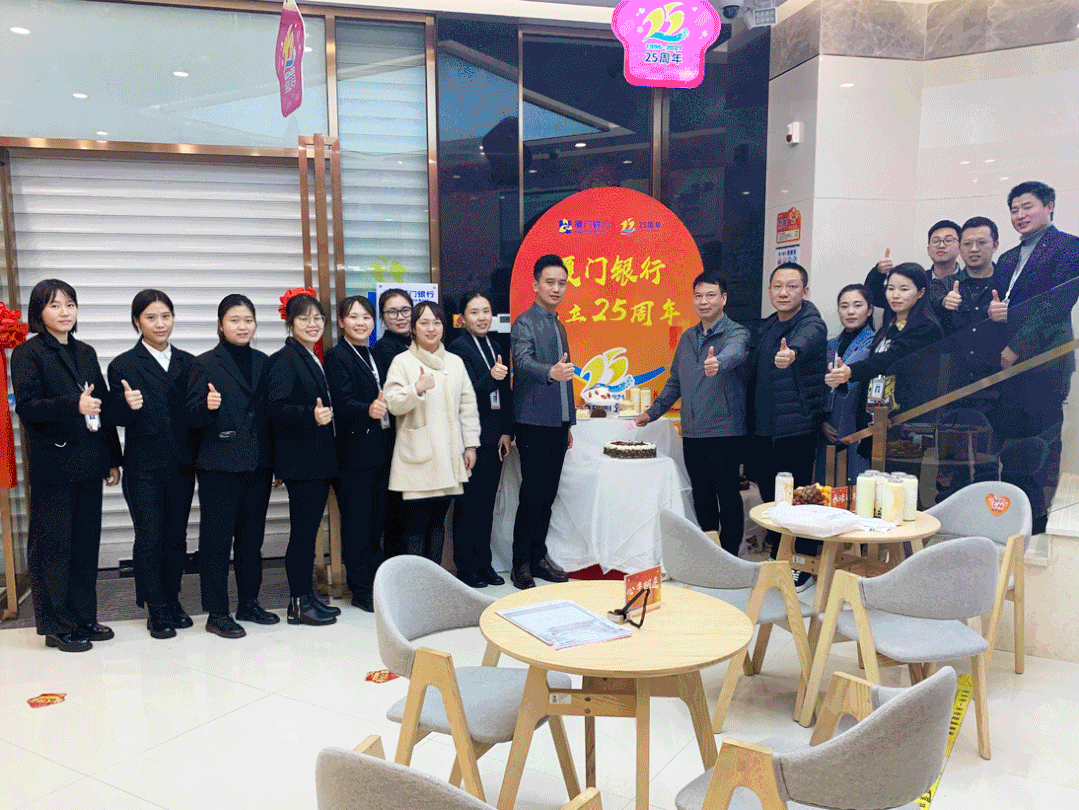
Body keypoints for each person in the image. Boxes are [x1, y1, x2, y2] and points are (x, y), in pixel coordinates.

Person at [11, 279, 122, 652]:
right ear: (39, 312)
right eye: (55, 305)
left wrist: (112, 458)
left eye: (70, 305)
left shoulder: (86, 352)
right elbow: (28, 408)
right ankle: (56, 626)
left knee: (85, 546)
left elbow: (101, 406)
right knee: (53, 548)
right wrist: (72, 404)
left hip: (89, 461)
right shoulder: (28, 354)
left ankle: (84, 618)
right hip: (54, 465)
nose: (65, 312)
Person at [635, 272, 749, 556]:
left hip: (724, 431)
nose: (703, 301)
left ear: (724, 298)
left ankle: (730, 556)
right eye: (698, 296)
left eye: (711, 295)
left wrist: (718, 362)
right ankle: (710, 552)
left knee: (727, 495)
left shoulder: (737, 332)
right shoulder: (687, 337)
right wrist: (653, 412)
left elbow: (736, 353)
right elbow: (675, 381)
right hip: (693, 431)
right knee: (701, 494)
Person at [107, 290, 198, 640]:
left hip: (181, 463)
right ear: (137, 322)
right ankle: (155, 608)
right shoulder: (123, 365)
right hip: (143, 466)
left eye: (165, 316)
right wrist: (125, 404)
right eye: (151, 317)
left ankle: (173, 600)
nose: (160, 324)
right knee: (149, 536)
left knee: (176, 537)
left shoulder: (189, 362)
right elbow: (113, 418)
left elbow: (195, 414)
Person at [989, 181, 1079, 533]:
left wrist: (1018, 346)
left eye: (1027, 207)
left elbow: (1057, 305)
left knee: (1039, 448)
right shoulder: (1007, 258)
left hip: (1044, 365)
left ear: (1049, 206)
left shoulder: (1069, 247)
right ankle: (1010, 523)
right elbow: (999, 303)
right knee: (1010, 448)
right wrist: (994, 312)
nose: (1020, 215)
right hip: (1006, 370)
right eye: (1014, 210)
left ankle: (1036, 524)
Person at [186, 294, 276, 639]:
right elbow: (189, 417)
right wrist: (207, 407)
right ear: (220, 325)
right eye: (235, 320)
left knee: (251, 540)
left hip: (257, 464)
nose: (242, 326)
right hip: (219, 466)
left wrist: (274, 462)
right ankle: (217, 612)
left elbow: (269, 416)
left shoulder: (264, 362)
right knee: (217, 542)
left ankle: (249, 603)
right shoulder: (204, 364)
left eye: (248, 320)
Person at [746, 262, 828, 589]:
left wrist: (791, 353)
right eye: (778, 286)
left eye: (792, 286)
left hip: (796, 428)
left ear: (804, 291)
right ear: (769, 291)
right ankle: (780, 555)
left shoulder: (811, 322)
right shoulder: (768, 325)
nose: (784, 292)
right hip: (764, 428)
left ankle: (802, 564)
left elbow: (807, 340)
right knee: (771, 496)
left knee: (799, 498)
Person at [383, 301, 480, 565]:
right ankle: (416, 579)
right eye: (424, 322)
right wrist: (416, 389)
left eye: (436, 323)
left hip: (448, 455)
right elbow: (392, 403)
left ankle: (434, 579)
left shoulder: (455, 362)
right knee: (415, 524)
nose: (431, 328)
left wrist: (470, 445)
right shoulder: (402, 361)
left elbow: (467, 405)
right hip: (418, 457)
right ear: (413, 328)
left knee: (438, 521)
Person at [266, 292, 340, 626]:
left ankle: (308, 598)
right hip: (302, 462)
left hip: (316, 460)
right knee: (302, 535)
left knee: (308, 533)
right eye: (304, 318)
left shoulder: (310, 356)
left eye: (317, 318)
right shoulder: (285, 359)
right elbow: (275, 409)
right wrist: (311, 415)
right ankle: (298, 603)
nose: (312, 324)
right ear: (290, 322)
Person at [510, 255, 576, 590]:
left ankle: (538, 557)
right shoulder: (525, 323)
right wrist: (549, 371)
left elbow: (566, 378)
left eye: (561, 283)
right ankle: (520, 563)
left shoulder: (558, 323)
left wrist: (569, 422)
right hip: (533, 422)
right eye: (549, 282)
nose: (556, 288)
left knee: (548, 495)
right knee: (533, 495)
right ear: (535, 285)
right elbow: (521, 363)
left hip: (556, 424)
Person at [324, 295, 392, 612]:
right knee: (357, 524)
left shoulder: (375, 354)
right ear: (341, 322)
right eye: (353, 317)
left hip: (380, 450)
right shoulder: (337, 356)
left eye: (366, 317)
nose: (361, 322)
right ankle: (361, 588)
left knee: (377, 523)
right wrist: (369, 410)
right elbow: (342, 403)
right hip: (352, 454)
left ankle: (377, 584)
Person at [826, 263, 945, 435]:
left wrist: (851, 371)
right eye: (890, 288)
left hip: (906, 419)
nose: (895, 295)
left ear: (920, 292)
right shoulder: (890, 324)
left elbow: (890, 358)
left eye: (904, 289)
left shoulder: (926, 327)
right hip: (875, 414)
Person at [448, 291, 512, 587]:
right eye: (474, 312)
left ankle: (484, 563)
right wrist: (491, 377)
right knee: (468, 505)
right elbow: (463, 395)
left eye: (486, 311)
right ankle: (466, 567)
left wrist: (506, 431)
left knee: (487, 505)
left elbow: (505, 393)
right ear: (463, 318)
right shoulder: (457, 348)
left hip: (494, 436)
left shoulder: (495, 345)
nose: (482, 317)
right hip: (470, 439)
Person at [818, 284, 876, 486]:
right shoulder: (831, 344)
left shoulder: (875, 344)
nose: (850, 311)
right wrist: (821, 420)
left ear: (869, 310)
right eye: (844, 306)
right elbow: (819, 387)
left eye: (857, 305)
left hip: (857, 426)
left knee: (856, 486)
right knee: (826, 487)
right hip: (828, 427)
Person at [372, 288, 414, 558]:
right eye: (392, 312)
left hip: (421, 439)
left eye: (405, 310)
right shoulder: (384, 349)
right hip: (397, 441)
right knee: (396, 515)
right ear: (383, 317)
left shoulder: (420, 343)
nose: (400, 317)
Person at [866, 220, 962, 315]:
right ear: (928, 250)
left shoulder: (967, 282)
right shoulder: (915, 279)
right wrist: (878, 272)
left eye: (948, 240)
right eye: (935, 241)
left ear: (960, 247)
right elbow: (874, 297)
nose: (941, 245)